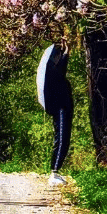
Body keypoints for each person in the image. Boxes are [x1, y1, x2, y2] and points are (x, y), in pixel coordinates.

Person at [36, 42, 73, 185]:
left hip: (62, 107)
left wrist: (65, 52)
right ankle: (54, 172)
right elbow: (61, 67)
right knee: (62, 138)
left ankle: (55, 171)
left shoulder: (51, 74)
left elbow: (61, 67)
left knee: (62, 137)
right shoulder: (53, 73)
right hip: (61, 107)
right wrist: (66, 52)